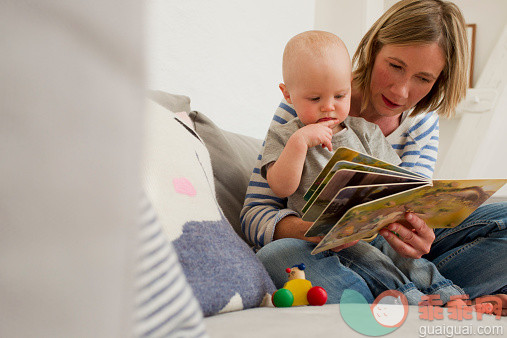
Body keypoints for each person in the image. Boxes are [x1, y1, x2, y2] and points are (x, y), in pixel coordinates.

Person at [241, 0, 507, 314]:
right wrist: (317, 231)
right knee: (278, 256)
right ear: (373, 49)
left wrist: (419, 233)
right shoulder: (306, 103)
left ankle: (432, 295)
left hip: (395, 251)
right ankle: (425, 301)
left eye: (423, 78)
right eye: (395, 66)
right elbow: (255, 213)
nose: (401, 91)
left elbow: (409, 199)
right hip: (323, 248)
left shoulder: (418, 124)